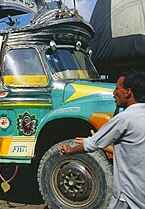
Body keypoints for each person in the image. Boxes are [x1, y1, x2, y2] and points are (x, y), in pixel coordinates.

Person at [60, 70, 145, 209]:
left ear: (128, 92)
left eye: (117, 88)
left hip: (127, 196)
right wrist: (101, 144)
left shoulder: (124, 118)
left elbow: (90, 144)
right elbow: (130, 151)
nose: (114, 92)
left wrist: (70, 150)